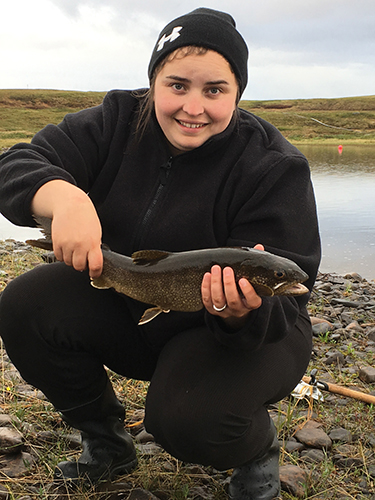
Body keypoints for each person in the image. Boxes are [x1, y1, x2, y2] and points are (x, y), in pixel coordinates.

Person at [0, 7, 320, 500]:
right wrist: (63, 196)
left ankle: (255, 452)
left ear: (238, 92)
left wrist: (239, 316)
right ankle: (107, 442)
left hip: (248, 337)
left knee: (189, 420)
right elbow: (15, 162)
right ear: (153, 82)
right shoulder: (114, 121)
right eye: (176, 85)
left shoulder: (273, 166)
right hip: (138, 297)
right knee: (24, 304)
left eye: (215, 90)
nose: (193, 107)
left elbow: (289, 303)